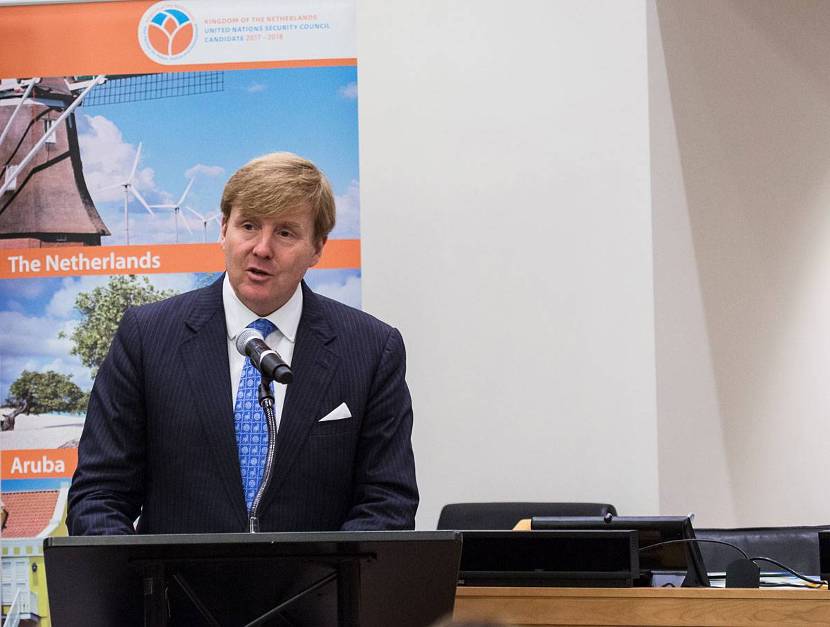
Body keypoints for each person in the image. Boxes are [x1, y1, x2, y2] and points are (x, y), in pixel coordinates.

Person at [67, 153, 418, 534]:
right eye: (248, 226)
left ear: (318, 247)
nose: (262, 248)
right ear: (223, 229)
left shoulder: (371, 349)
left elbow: (387, 502)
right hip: (172, 575)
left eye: (285, 233)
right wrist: (136, 572)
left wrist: (331, 572)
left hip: (319, 575)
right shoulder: (147, 337)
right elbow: (99, 494)